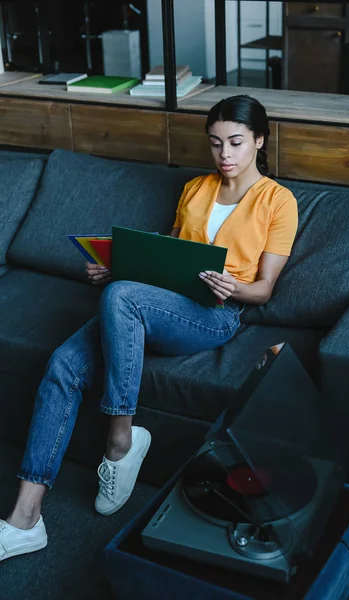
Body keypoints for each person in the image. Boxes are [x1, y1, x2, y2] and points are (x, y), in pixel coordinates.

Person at [0, 94, 298, 561]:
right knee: (63, 362)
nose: (225, 155)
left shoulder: (279, 201)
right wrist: (117, 266)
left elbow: (264, 290)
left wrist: (232, 286)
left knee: (122, 297)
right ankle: (25, 518)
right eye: (216, 143)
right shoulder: (196, 189)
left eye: (236, 143)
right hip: (159, 303)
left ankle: (121, 438)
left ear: (259, 141)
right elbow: (170, 262)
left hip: (215, 315)